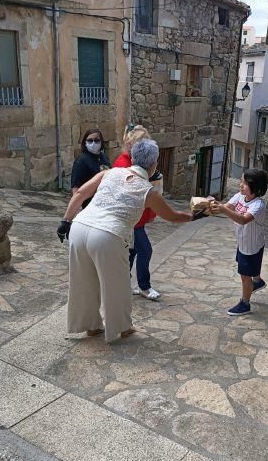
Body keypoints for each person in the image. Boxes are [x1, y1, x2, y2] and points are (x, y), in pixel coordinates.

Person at [57, 140, 206, 343]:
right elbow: (172, 216)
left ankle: (90, 326)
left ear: (133, 158)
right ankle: (121, 328)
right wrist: (195, 216)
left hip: (80, 226)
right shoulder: (147, 190)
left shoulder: (109, 173)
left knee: (83, 281)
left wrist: (66, 221)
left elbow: (82, 193)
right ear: (154, 164)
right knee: (117, 284)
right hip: (108, 235)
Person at [210, 169, 268, 316]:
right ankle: (258, 281)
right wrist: (212, 204)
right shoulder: (239, 197)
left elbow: (243, 220)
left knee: (244, 276)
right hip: (243, 242)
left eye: (244, 183)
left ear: (255, 187)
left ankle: (245, 303)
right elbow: (226, 208)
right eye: (241, 181)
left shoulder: (258, 205)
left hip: (251, 246)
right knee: (250, 269)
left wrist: (223, 209)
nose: (240, 185)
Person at [113, 125, 161, 300]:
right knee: (145, 250)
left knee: (131, 252)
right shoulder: (124, 163)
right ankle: (144, 286)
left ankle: (124, 284)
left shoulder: (131, 161)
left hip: (135, 218)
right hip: (130, 219)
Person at [71, 128, 111, 208]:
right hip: (90, 203)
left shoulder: (103, 157)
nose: (93, 143)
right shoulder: (81, 160)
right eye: (90, 140)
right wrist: (75, 206)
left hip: (105, 201)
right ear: (85, 142)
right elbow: (76, 186)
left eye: (96, 140)